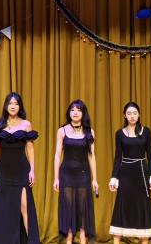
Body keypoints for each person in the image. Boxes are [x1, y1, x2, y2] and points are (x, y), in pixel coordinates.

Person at [0, 92, 40, 243]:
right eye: (10, 103)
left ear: (20, 106)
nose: (13, 106)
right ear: (6, 105)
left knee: (24, 206)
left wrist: (32, 170)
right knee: (4, 209)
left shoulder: (26, 124)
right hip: (3, 171)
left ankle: (32, 241)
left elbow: (30, 148)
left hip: (21, 170)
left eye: (16, 103)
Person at [109, 102, 151, 243]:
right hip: (125, 175)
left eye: (135, 113)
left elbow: (150, 155)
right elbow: (118, 157)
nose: (132, 116)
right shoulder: (119, 134)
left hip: (141, 173)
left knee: (143, 206)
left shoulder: (146, 132)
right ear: (124, 115)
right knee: (122, 205)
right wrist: (114, 178)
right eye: (129, 113)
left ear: (139, 114)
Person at [52, 99, 98, 243]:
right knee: (68, 209)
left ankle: (83, 239)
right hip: (66, 175)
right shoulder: (62, 131)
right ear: (69, 113)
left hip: (83, 175)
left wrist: (95, 179)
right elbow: (57, 155)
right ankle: (69, 239)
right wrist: (56, 178)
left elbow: (92, 156)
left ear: (83, 113)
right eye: (72, 110)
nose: (75, 113)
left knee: (83, 210)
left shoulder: (89, 132)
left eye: (78, 110)